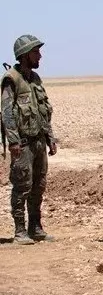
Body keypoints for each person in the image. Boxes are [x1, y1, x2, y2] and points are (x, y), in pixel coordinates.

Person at [1, 34, 57, 244]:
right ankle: (20, 231)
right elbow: (7, 113)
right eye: (36, 52)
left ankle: (35, 227)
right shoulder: (11, 79)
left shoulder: (35, 79)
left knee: (38, 185)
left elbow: (43, 111)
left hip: (39, 142)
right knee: (22, 186)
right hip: (23, 144)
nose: (40, 56)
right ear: (24, 55)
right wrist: (13, 141)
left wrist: (50, 137)